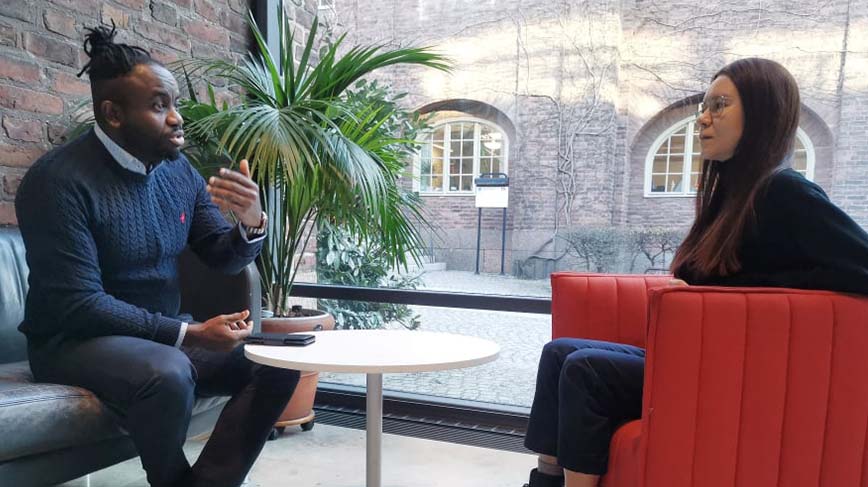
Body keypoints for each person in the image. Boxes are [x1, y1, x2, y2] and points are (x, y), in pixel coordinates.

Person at [521, 57, 868, 487]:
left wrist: (745, 293)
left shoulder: (786, 192)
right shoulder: (731, 195)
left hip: (735, 375)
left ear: (762, 113)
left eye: (719, 105)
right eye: (704, 106)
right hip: (698, 358)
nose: (703, 118)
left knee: (586, 371)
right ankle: (545, 480)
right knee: (559, 353)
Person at [14, 24, 299, 487]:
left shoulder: (177, 170)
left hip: (154, 336)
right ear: (113, 114)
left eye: (175, 104)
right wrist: (188, 333)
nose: (177, 119)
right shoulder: (57, 181)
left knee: (279, 365)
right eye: (158, 105)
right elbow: (80, 303)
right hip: (71, 342)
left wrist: (251, 222)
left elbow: (222, 256)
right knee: (168, 372)